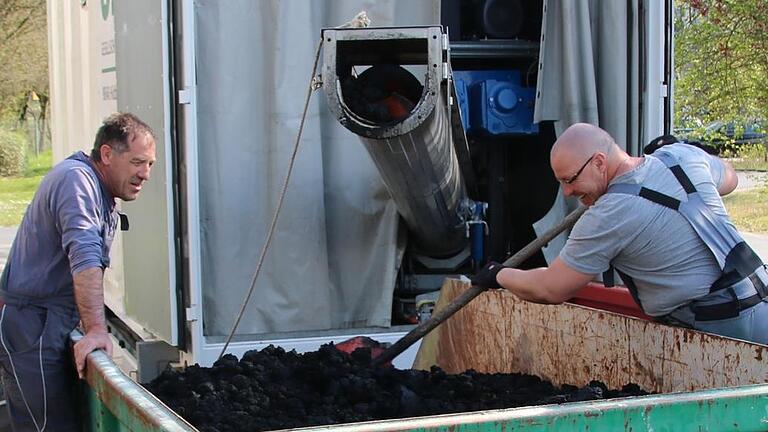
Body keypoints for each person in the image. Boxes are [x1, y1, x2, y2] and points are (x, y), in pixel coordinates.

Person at [472, 122, 767, 345]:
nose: (568, 192)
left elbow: (551, 288)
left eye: (570, 180)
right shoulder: (681, 156)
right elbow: (730, 178)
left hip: (719, 329)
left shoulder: (609, 215)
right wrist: (685, 158)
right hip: (760, 302)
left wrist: (499, 275)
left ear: (599, 162)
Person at [0, 113, 156, 431]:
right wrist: (97, 330)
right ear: (107, 154)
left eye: (150, 164)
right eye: (138, 162)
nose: (145, 174)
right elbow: (84, 255)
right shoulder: (77, 181)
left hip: (49, 322)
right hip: (32, 327)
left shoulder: (98, 188)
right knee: (46, 427)